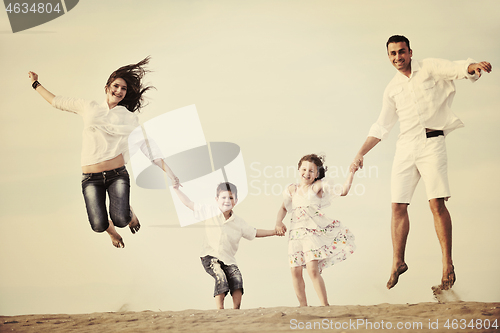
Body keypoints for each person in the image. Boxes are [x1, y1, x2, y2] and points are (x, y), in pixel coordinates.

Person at [350, 35, 492, 290]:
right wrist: (361, 152)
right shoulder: (391, 89)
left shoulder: (429, 67)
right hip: (405, 147)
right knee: (397, 206)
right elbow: (382, 126)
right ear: (389, 56)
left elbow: (455, 68)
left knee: (436, 203)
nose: (398, 57)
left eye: (401, 52)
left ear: (410, 52)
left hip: (432, 143)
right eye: (392, 54)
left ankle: (447, 262)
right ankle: (397, 261)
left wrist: (472, 68)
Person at [28, 57, 180, 248]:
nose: (119, 91)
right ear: (107, 87)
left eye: (123, 89)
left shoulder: (128, 117)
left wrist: (171, 173)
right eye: (116, 86)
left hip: (117, 175)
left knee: (121, 218)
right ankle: (112, 233)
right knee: (98, 225)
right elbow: (57, 101)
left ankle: (129, 214)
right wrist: (36, 83)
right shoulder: (89, 107)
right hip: (90, 177)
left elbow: (147, 146)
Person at [173, 181, 278, 309]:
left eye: (231, 197)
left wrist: (274, 232)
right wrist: (177, 190)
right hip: (210, 256)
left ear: (236, 200)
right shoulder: (209, 211)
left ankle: (235, 311)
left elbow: (255, 232)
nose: (227, 200)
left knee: (237, 280)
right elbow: (189, 204)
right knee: (220, 277)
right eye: (223, 197)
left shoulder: (239, 223)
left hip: (229, 259)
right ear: (217, 199)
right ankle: (220, 311)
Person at [275, 154, 356, 307]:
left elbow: (343, 191)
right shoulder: (292, 189)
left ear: (317, 174)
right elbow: (283, 208)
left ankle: (324, 305)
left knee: (312, 270)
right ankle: (303, 306)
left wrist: (351, 172)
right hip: (295, 235)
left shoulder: (317, 187)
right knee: (295, 271)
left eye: (311, 171)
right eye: (304, 169)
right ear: (298, 170)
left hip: (312, 234)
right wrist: (278, 222)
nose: (307, 173)